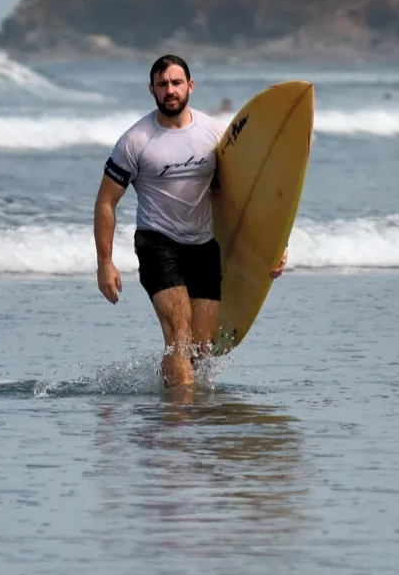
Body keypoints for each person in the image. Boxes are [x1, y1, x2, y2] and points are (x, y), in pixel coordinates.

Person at [94, 55, 286, 389]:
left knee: (201, 348)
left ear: (190, 86)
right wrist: (105, 262)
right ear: (151, 89)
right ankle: (180, 421)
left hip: (203, 246)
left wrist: (275, 245)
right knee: (180, 336)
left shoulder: (214, 134)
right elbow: (106, 201)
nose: (170, 90)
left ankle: (173, 394)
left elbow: (245, 197)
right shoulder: (135, 141)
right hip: (157, 244)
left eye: (176, 82)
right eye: (162, 84)